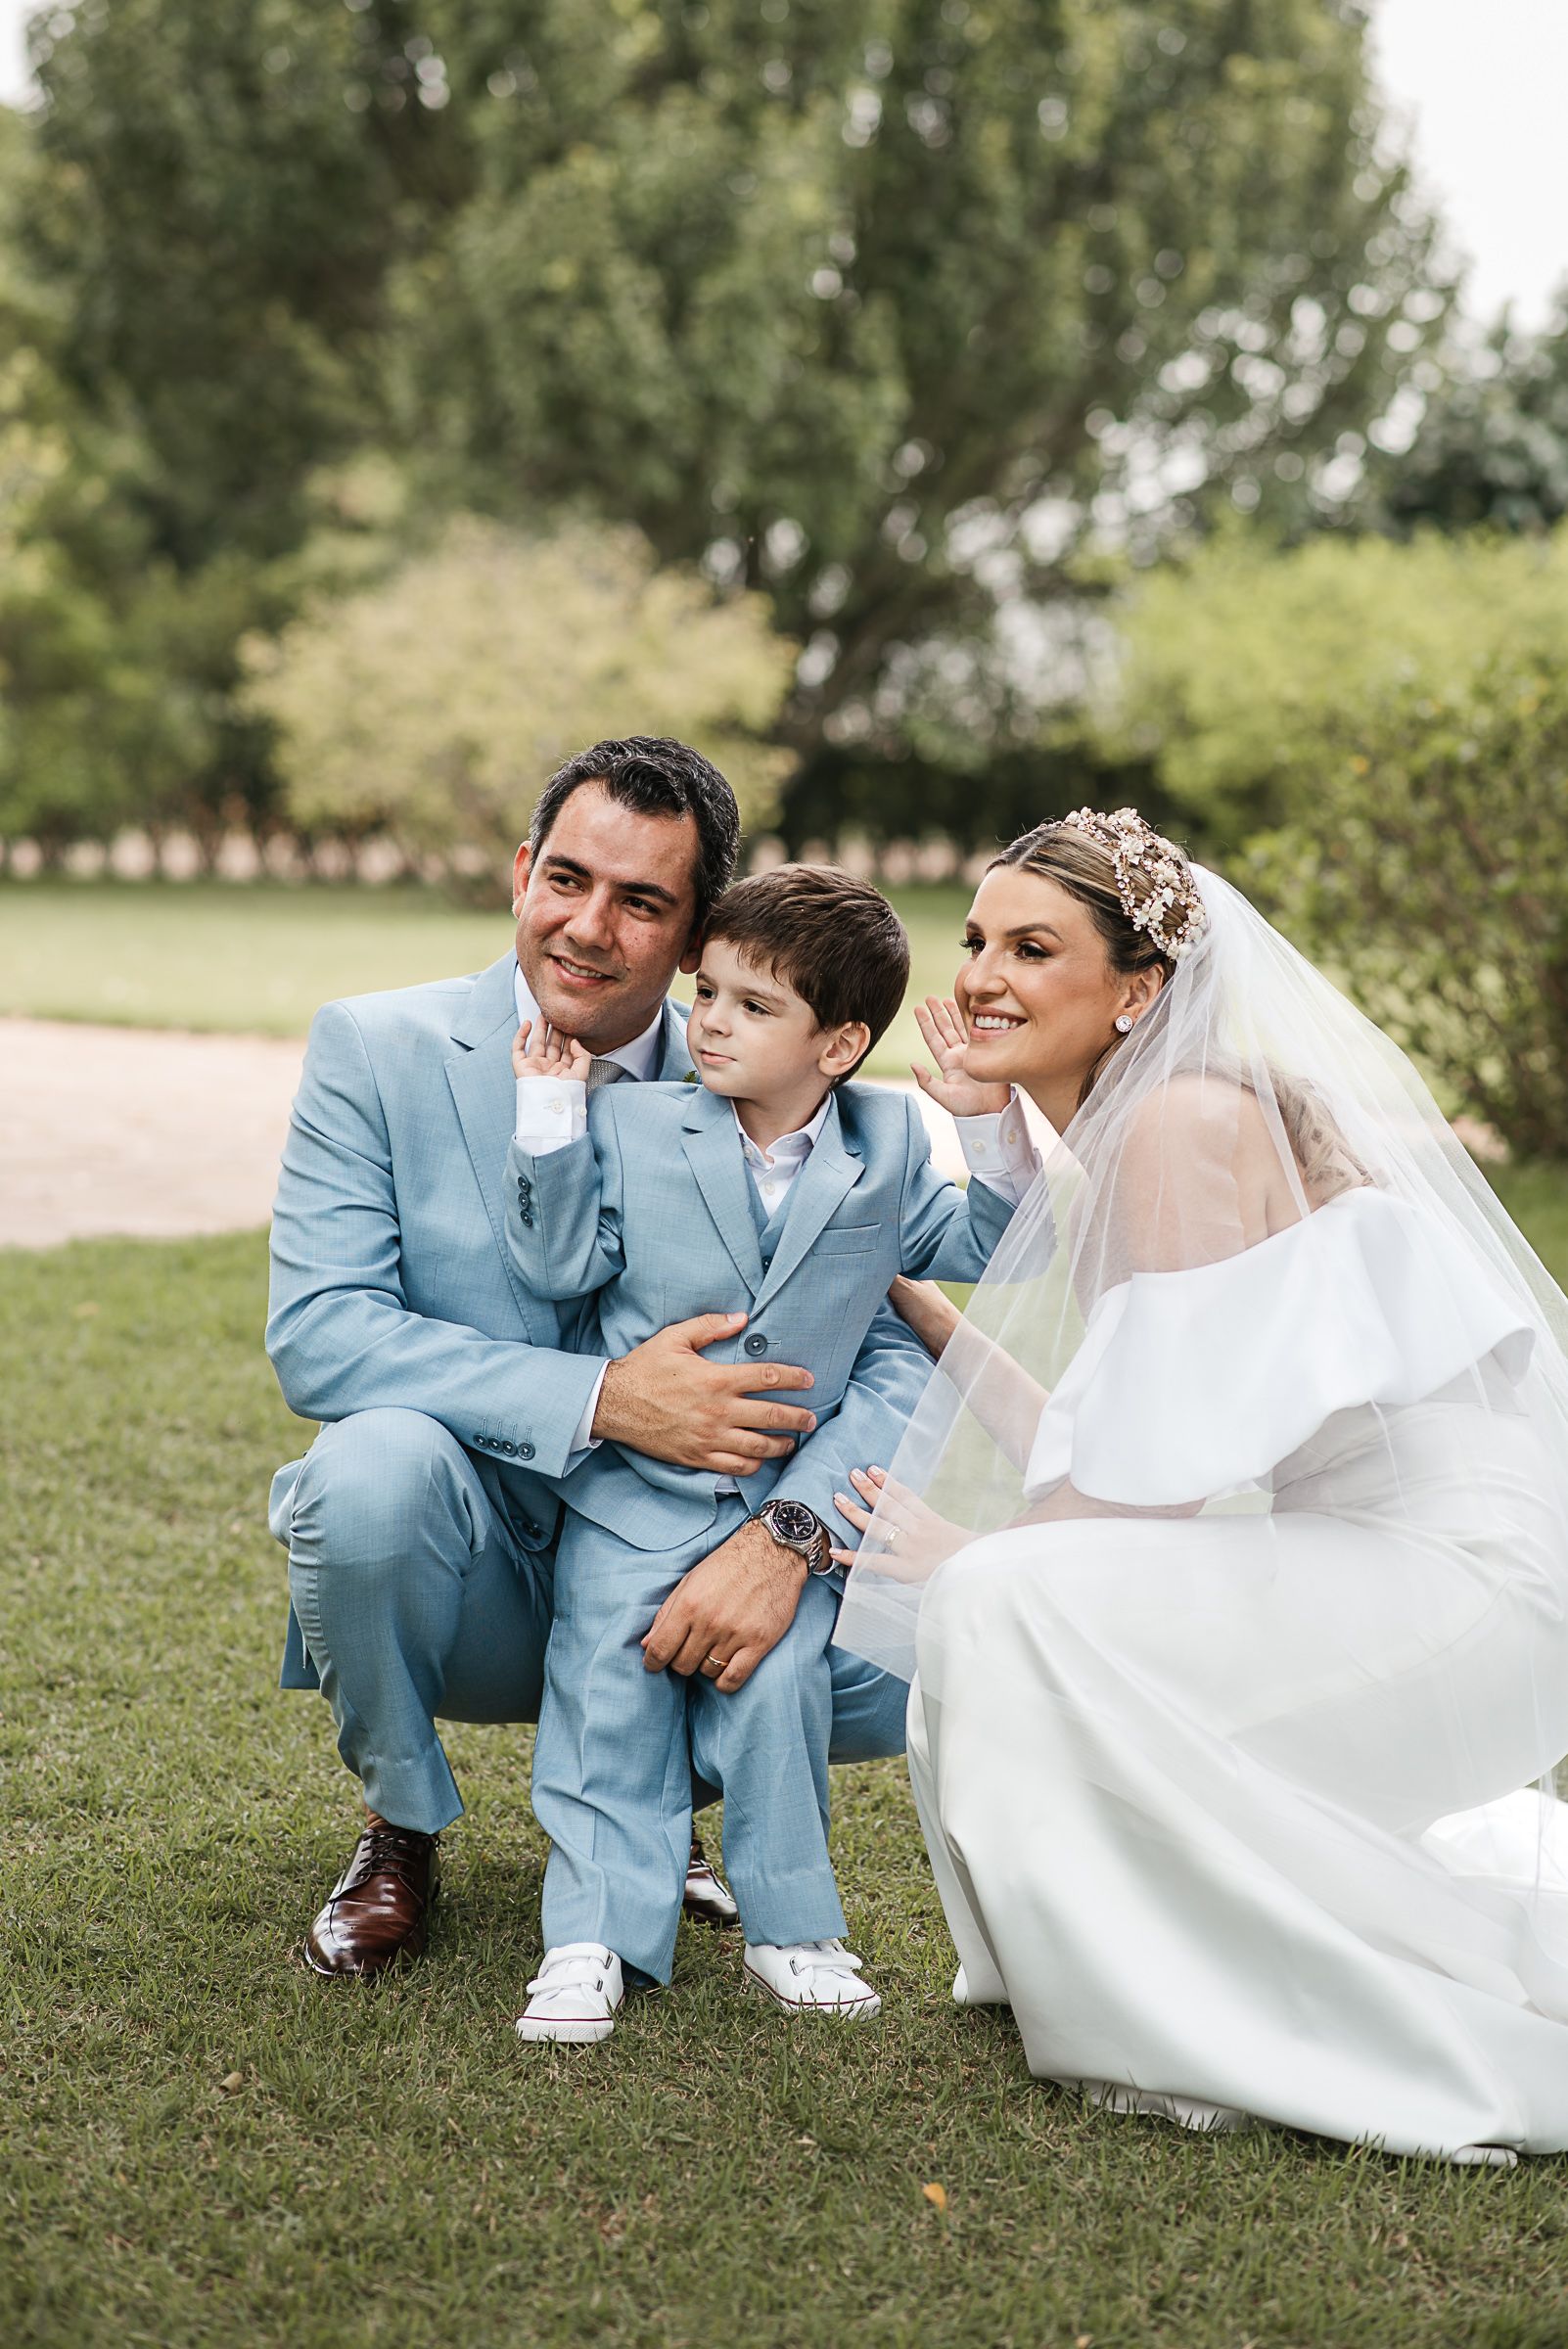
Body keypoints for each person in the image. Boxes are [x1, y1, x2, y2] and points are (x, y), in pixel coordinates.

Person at [834, 806, 1568, 2165]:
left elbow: (1147, 1498)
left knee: (1000, 1602)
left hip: (1457, 1591)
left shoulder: (1174, 1129)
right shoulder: (1130, 1137)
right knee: (1011, 1597)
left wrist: (968, 1559)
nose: (983, 975)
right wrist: (915, 1306)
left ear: (1138, 990)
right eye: (977, 939)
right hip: (1395, 1571)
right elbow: (1122, 1432)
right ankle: (1123, 1960)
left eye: (1033, 947)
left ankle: (1189, 2000)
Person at [265, 738, 928, 1977]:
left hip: (692, 1540)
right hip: (473, 1553)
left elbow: (882, 1347)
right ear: (521, 871)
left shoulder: (761, 1064)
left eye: (640, 903)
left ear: (692, 938)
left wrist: (783, 1535)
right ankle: (401, 1822)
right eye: (565, 879)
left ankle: (659, 1806)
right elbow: (323, 1336)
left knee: (934, 1627)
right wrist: (608, 1400)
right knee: (367, 1474)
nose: (586, 927)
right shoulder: (374, 1047)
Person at [502, 866, 1032, 2040]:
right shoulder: (634, 1121)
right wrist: (548, 1118)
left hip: (782, 1504)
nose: (712, 1022)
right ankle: (591, 1937)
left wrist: (988, 1120)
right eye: (710, 993)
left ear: (839, 1043)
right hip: (632, 1496)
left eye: (754, 1005)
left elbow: (991, 1247)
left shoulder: (889, 1141)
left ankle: (792, 1929)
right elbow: (555, 1267)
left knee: (776, 1682)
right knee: (611, 1685)